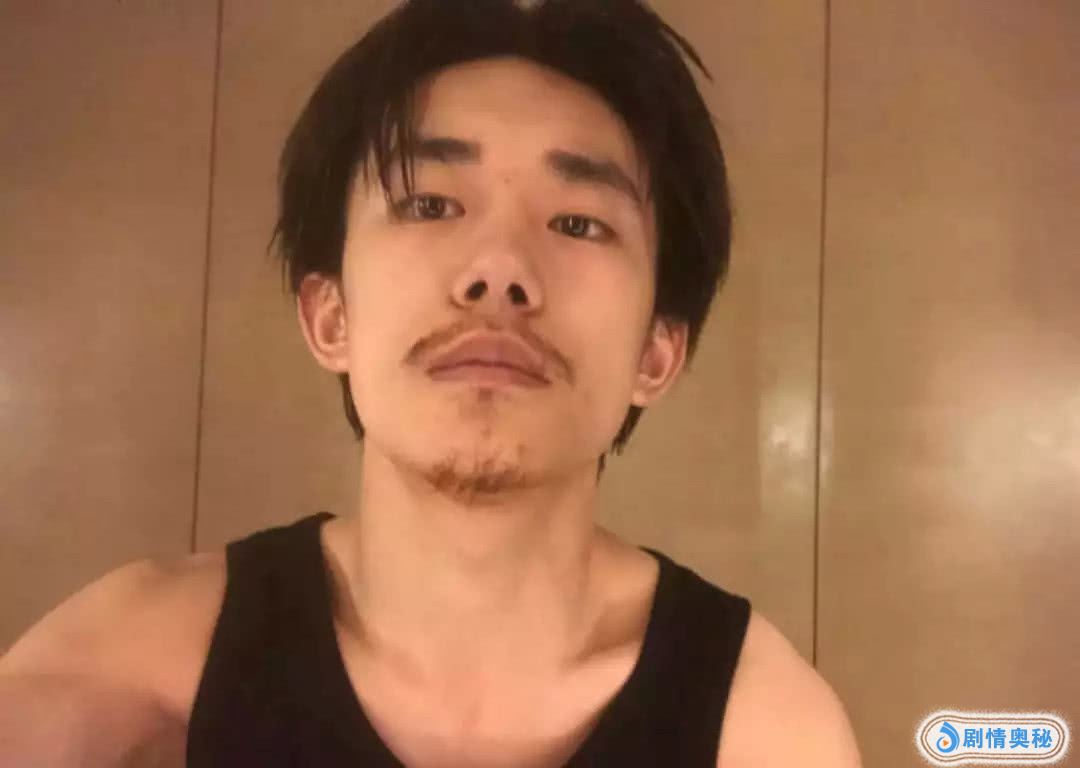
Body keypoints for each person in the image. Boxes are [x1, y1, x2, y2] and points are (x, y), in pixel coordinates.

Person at [0, 0, 862, 765]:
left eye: (577, 222)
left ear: (657, 353)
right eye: (429, 204)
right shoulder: (126, 680)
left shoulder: (764, 731)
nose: (499, 270)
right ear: (330, 316)